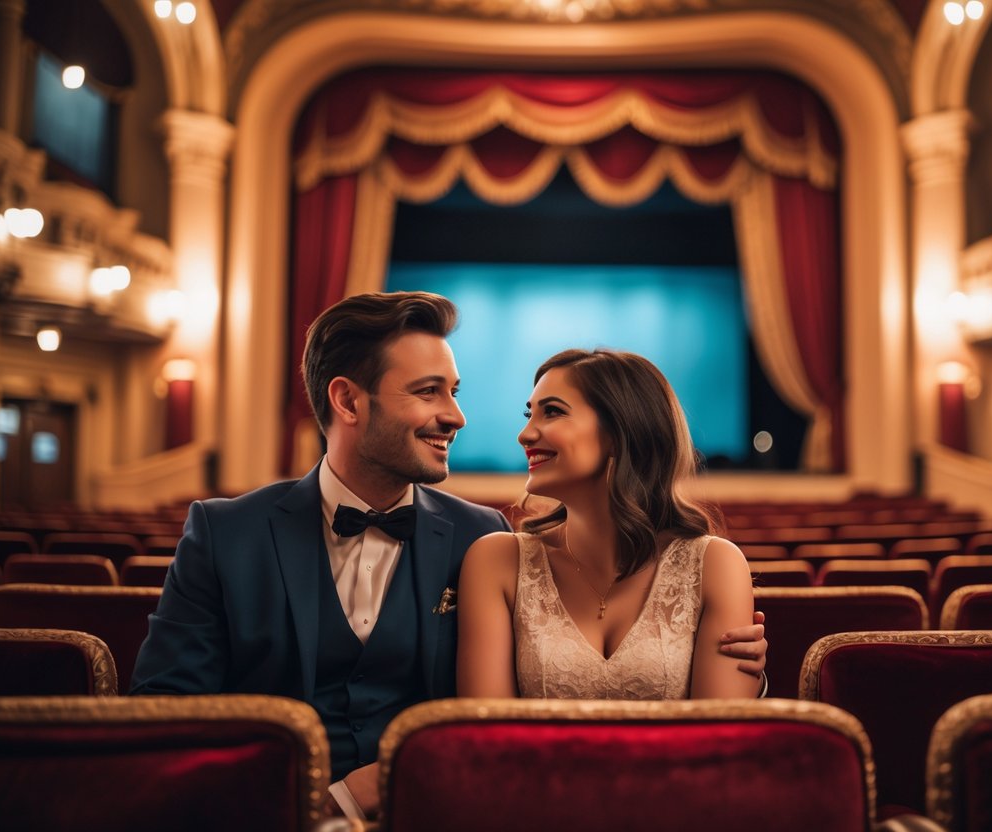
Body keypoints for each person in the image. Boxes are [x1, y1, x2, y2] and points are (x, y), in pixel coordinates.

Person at [131, 292, 766, 819]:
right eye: (430, 392)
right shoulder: (224, 533)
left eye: (454, 390)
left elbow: (485, 731)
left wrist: (733, 667)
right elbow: (164, 716)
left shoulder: (478, 537)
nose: (457, 416)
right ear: (348, 401)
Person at [458, 348, 759, 699]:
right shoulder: (496, 561)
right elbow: (486, 735)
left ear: (620, 431)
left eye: (552, 412)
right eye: (529, 414)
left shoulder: (715, 564)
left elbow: (718, 739)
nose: (525, 434)